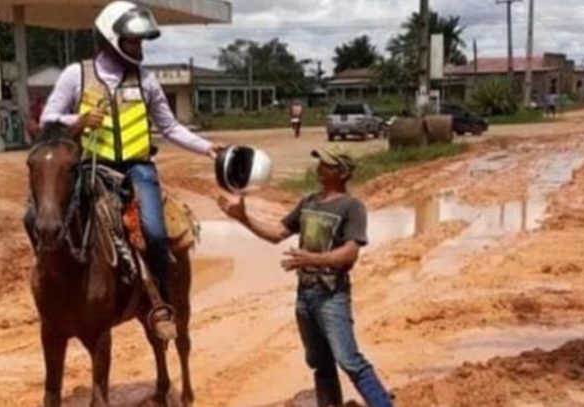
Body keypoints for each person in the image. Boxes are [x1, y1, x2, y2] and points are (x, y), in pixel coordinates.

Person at [27, 0, 223, 339]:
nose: (139, 48)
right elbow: (47, 120)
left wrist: (206, 147)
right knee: (35, 218)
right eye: (133, 41)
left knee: (154, 230)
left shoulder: (146, 81)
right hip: (90, 168)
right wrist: (78, 120)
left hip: (137, 170)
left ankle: (159, 303)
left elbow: (170, 126)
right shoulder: (78, 74)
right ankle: (51, 284)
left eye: (140, 42)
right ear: (111, 39)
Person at [217, 145, 393, 407]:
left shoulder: (352, 207)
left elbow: (350, 253)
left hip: (332, 296)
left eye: (326, 164)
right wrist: (244, 219)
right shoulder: (309, 202)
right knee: (319, 362)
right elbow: (278, 233)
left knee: (349, 359)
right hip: (305, 296)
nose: (319, 168)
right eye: (320, 162)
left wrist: (312, 259)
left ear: (343, 173)